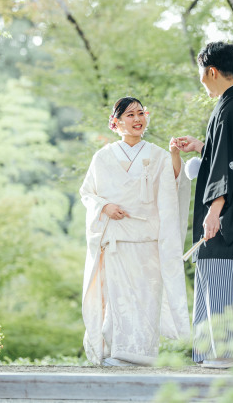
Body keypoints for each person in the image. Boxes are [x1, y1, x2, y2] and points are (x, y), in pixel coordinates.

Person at [175, 41, 233, 369]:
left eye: (201, 74)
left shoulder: (230, 109)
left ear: (211, 71)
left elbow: (227, 167)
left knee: (221, 274)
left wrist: (214, 212)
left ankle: (225, 353)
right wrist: (205, 145)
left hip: (229, 221)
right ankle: (232, 353)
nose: (201, 81)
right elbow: (230, 158)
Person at [80, 97, 191, 366]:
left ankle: (143, 356)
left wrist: (175, 154)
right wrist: (105, 206)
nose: (137, 119)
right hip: (118, 241)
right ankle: (118, 353)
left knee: (147, 299)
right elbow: (87, 193)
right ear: (115, 122)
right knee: (119, 302)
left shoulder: (157, 154)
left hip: (148, 243)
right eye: (130, 115)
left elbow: (174, 184)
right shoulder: (103, 157)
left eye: (141, 113)